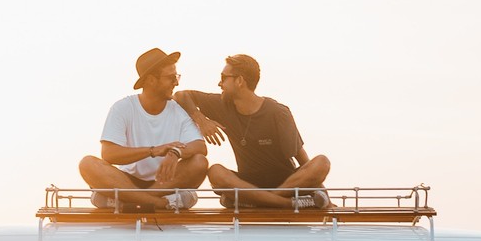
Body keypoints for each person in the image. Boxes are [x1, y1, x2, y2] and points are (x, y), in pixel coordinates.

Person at [174, 54, 331, 209]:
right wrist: (202, 120)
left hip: (286, 183)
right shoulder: (221, 104)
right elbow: (181, 95)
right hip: (248, 184)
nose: (219, 83)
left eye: (223, 78)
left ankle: (260, 201)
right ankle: (286, 204)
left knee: (322, 162)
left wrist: (323, 192)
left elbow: (301, 157)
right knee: (215, 172)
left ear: (240, 81)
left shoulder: (278, 112)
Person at [79, 48, 208, 211]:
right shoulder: (122, 108)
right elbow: (109, 154)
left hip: (165, 182)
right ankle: (160, 203)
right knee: (87, 164)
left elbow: (200, 147)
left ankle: (130, 201)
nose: (176, 82)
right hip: (126, 181)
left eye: (177, 76)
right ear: (151, 80)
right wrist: (153, 151)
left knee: (199, 162)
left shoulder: (179, 110)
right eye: (171, 77)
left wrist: (176, 152)